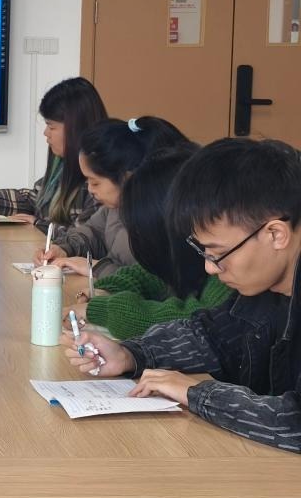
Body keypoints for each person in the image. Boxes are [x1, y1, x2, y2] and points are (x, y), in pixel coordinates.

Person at [62, 138, 301, 453]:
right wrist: (130, 355)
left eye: (217, 253)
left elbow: (294, 423)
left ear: (275, 234)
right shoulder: (265, 288)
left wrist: (196, 393)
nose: (210, 267)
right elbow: (210, 335)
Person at [61, 146, 233, 339]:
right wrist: (107, 290)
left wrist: (102, 310)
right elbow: (148, 275)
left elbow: (190, 321)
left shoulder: (225, 274)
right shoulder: (184, 258)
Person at [35, 116, 190, 278]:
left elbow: (152, 282)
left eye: (95, 182)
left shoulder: (154, 220)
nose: (90, 189)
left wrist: (96, 268)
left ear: (126, 177)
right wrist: (64, 248)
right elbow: (93, 232)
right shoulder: (114, 208)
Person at [0, 77, 108, 233]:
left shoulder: (100, 181)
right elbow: (34, 199)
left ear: (75, 128)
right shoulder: (60, 167)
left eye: (51, 127)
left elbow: (84, 237)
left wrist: (39, 224)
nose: (46, 133)